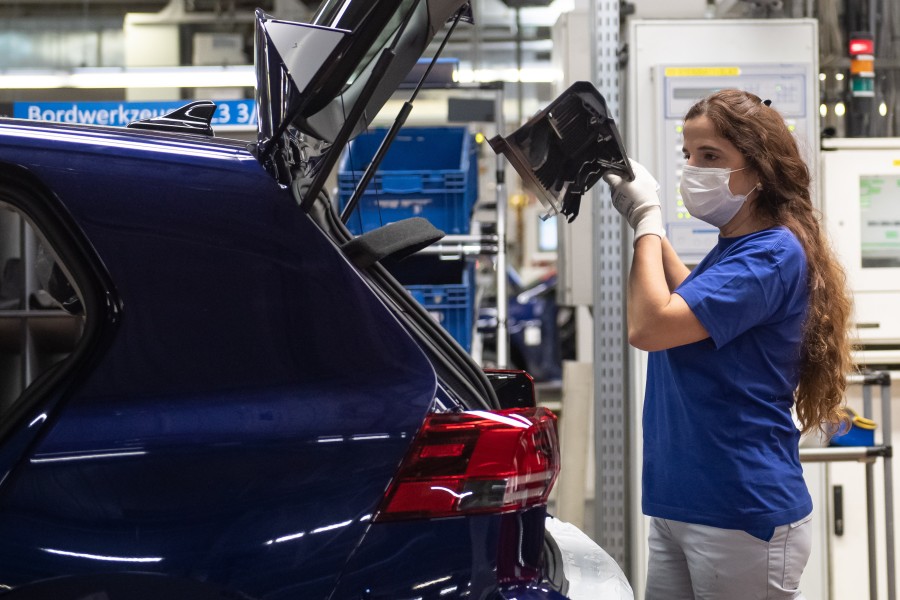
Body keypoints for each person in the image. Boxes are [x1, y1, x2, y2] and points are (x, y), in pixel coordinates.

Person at [603, 88, 853, 600]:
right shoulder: (736, 249)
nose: (694, 169)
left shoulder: (772, 254)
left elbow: (650, 326)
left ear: (759, 170)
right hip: (684, 503)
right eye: (689, 156)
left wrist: (649, 223)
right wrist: (643, 222)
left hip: (740, 511)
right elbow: (689, 298)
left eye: (711, 156)